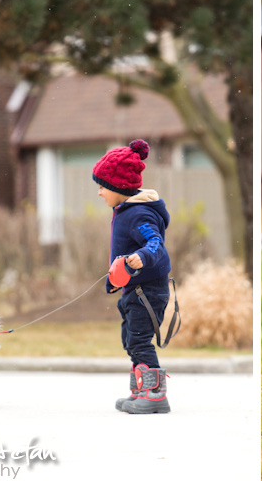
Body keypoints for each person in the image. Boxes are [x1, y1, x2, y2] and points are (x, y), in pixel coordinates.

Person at [93, 139, 172, 413]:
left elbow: (155, 244)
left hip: (147, 291)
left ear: (118, 187)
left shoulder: (138, 214)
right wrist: (114, 280)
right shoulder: (125, 211)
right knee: (131, 339)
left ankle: (154, 394)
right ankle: (139, 390)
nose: (100, 192)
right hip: (135, 289)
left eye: (102, 186)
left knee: (139, 340)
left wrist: (144, 256)